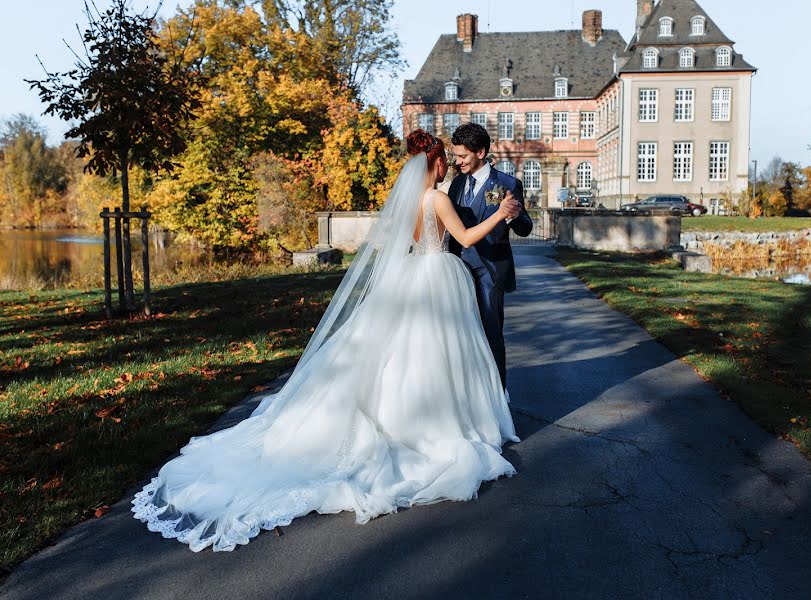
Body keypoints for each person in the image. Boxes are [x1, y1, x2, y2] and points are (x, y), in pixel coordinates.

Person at [132, 130, 521, 552]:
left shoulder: (407, 200)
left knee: (404, 357)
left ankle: (407, 417)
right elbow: (463, 239)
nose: (448, 166)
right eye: (445, 160)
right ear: (437, 163)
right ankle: (437, 424)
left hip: (410, 278)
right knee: (434, 357)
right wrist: (500, 213)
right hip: (436, 276)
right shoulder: (437, 198)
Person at [447, 123, 533, 389]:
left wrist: (514, 215)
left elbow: (526, 228)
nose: (457, 161)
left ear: (481, 152)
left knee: (490, 332)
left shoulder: (508, 184)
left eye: (463, 156)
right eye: (456, 155)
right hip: (456, 270)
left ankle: (498, 394)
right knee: (459, 335)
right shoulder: (456, 184)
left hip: (490, 272)